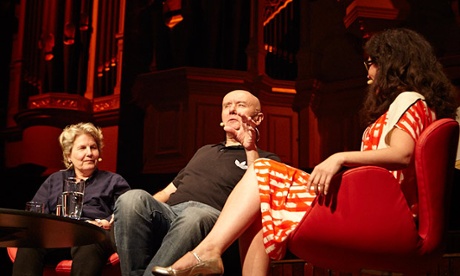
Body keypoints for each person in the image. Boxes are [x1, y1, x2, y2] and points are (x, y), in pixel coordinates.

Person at [151, 28, 459, 276]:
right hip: (377, 207)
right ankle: (209, 253)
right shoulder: (416, 104)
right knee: (263, 205)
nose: (368, 70)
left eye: (373, 62)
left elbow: (401, 155)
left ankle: (207, 252)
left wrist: (339, 157)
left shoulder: (409, 99)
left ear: (394, 63)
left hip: (386, 215)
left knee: (263, 172)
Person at [113, 90, 280, 276]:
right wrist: (134, 210)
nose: (232, 109)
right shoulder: (204, 151)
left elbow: (257, 187)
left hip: (213, 221)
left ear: (257, 118)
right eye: (227, 106)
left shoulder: (265, 159)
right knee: (130, 198)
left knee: (195, 214)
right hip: (171, 214)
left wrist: (250, 148)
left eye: (240, 105)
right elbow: (169, 190)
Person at [12, 122, 131, 275]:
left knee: (88, 242)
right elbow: (37, 213)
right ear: (68, 155)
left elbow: (127, 212)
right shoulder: (55, 180)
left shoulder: (113, 180)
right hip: (58, 238)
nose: (89, 153)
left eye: (93, 148)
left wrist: (107, 221)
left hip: (93, 236)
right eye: (82, 148)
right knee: (30, 244)